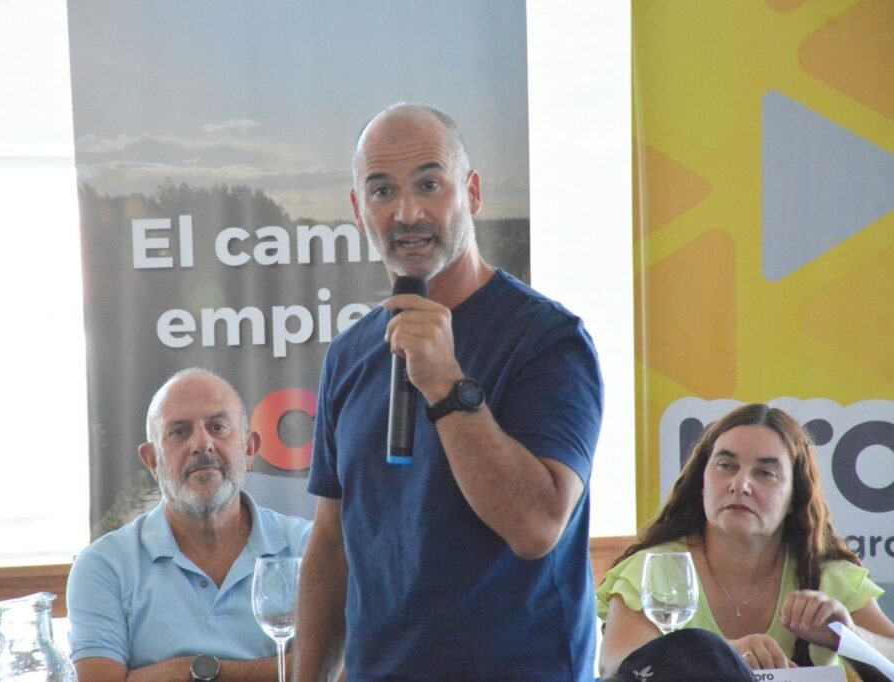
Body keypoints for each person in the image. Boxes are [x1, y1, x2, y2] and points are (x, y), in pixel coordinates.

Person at [294, 103, 604, 681]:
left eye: (429, 184)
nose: (407, 212)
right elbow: (332, 542)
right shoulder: (350, 354)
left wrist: (444, 382)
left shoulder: (549, 340)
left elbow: (537, 526)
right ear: (359, 210)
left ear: (473, 193)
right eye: (382, 191)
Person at [597, 403, 894, 679]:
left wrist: (850, 637)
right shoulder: (656, 566)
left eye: (765, 473)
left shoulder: (826, 574)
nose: (740, 485)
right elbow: (618, 664)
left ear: (795, 497)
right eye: (726, 466)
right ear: (702, 481)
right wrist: (725, 655)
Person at [66, 368, 312, 682]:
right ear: (152, 461)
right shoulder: (104, 566)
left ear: (249, 449)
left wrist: (194, 671)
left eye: (218, 427)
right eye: (179, 432)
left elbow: (345, 669)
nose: (202, 444)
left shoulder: (308, 547)